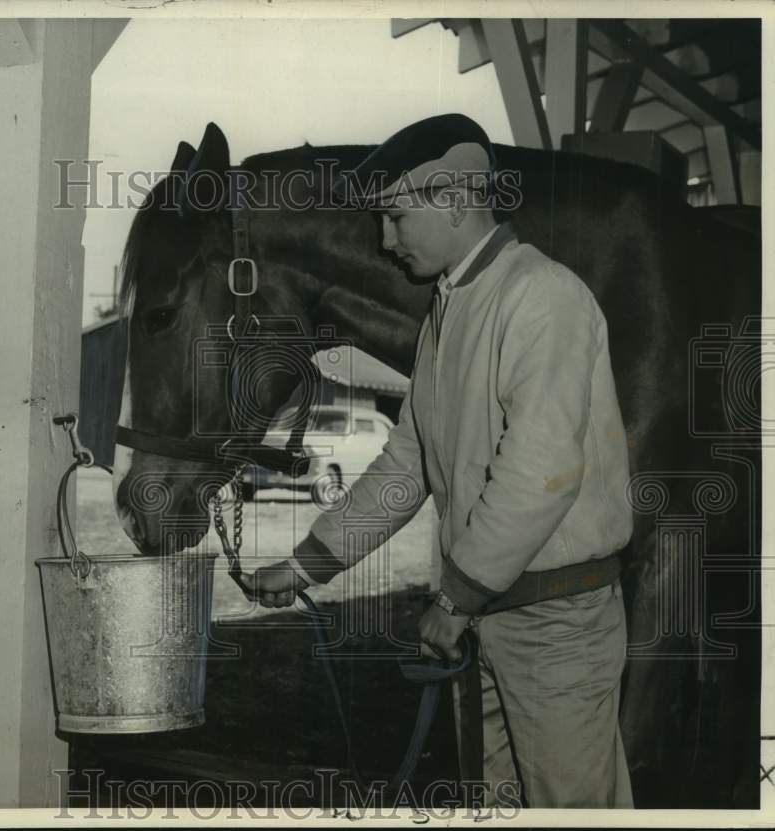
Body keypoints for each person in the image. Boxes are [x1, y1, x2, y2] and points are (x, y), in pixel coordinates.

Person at [253, 114, 635, 808]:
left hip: (555, 625)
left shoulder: (542, 297)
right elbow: (408, 464)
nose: (384, 241)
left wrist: (457, 596)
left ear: (457, 203)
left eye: (396, 217)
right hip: (488, 617)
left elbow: (541, 472)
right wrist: (309, 561)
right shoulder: (448, 310)